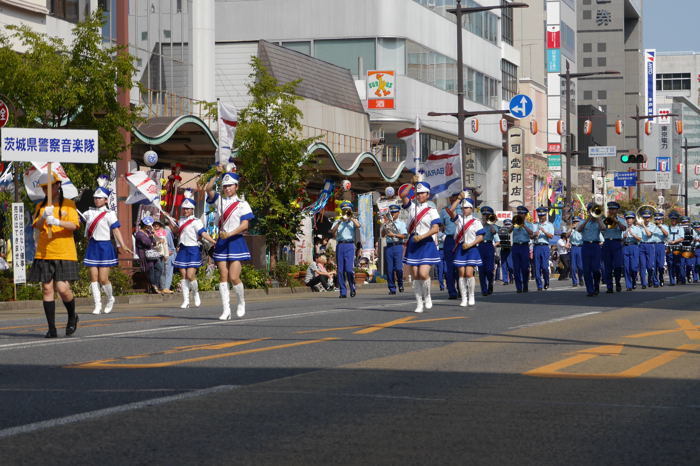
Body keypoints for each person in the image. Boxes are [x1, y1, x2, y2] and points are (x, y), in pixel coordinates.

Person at [28, 172, 81, 338]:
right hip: (44, 252)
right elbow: (36, 226)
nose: (46, 190)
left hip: (64, 251)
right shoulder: (41, 207)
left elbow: (74, 225)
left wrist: (58, 222)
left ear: (58, 186)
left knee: (63, 288)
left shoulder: (69, 204)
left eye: (49, 186)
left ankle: (72, 316)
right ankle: (51, 328)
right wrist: (44, 216)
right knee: (46, 288)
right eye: (44, 188)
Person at [204, 170, 255, 320]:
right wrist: (216, 174)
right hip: (222, 241)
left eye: (230, 186)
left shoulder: (242, 204)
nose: (227, 188)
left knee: (234, 277)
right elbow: (208, 189)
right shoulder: (219, 200)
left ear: (236, 187)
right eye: (225, 186)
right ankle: (226, 310)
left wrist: (230, 233)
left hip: (235, 241)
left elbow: (245, 225)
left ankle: (241, 301)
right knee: (223, 276)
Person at [83, 181, 132, 315]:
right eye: (95, 198)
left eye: (100, 198)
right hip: (92, 246)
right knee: (93, 278)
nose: (97, 200)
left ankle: (110, 298)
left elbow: (116, 231)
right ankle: (97, 304)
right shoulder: (88, 213)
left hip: (105, 247)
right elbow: (76, 222)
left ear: (105, 200)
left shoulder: (110, 214)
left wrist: (123, 245)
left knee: (103, 279)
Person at [165, 197, 216, 309]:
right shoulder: (181, 220)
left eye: (188, 209)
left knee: (190, 275)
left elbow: (203, 234)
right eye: (184, 209)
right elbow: (176, 232)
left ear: (192, 209)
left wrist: (213, 242)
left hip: (193, 249)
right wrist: (169, 220)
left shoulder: (196, 221)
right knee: (183, 275)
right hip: (183, 249)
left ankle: (196, 294)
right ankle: (186, 300)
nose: (185, 211)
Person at [400, 181, 441, 313]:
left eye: (422, 193)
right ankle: (419, 302)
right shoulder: (412, 207)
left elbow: (435, 229)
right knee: (416, 275)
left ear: (428, 194)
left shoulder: (432, 210)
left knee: (423, 273)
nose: (419, 195)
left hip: (426, 242)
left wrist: (422, 237)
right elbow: (403, 194)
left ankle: (427, 295)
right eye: (417, 193)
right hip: (413, 243)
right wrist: (412, 184)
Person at [448, 193, 484, 307]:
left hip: (471, 248)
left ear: (471, 208)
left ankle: (471, 295)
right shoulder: (458, 219)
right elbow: (451, 210)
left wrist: (470, 244)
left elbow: (480, 237)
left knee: (469, 273)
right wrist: (459, 199)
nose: (464, 209)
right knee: (461, 273)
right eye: (463, 208)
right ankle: (464, 297)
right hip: (460, 248)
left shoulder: (476, 221)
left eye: (466, 207)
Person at [330, 201, 360, 298]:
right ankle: (343, 291)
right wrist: (340, 221)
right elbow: (333, 231)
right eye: (344, 210)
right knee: (340, 270)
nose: (346, 212)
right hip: (340, 245)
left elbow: (358, 226)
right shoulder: (338, 220)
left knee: (349, 269)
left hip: (350, 245)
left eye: (347, 210)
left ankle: (352, 287)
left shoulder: (353, 220)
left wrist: (351, 217)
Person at [577, 204, 604, 297]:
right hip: (585, 246)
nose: (592, 213)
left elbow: (603, 228)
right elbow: (579, 229)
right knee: (586, 270)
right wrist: (588, 219)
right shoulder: (584, 222)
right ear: (588, 211)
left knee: (596, 269)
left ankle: (596, 286)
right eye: (591, 211)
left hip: (596, 246)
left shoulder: (598, 222)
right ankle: (590, 290)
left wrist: (599, 218)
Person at [600, 201, 627, 293]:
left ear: (617, 210)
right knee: (607, 266)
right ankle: (609, 286)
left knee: (618, 265)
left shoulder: (621, 220)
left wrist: (616, 220)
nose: (611, 211)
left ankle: (618, 282)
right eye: (610, 209)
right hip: (607, 242)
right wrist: (609, 219)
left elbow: (623, 228)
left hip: (617, 243)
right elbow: (603, 228)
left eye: (613, 209)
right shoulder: (606, 220)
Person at [381, 204, 407, 295]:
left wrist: (394, 235)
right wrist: (385, 225)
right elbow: (383, 235)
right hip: (389, 246)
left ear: (398, 213)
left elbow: (404, 235)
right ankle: (392, 288)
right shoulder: (387, 223)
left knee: (399, 268)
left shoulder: (401, 223)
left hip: (398, 246)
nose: (393, 214)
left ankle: (400, 283)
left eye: (394, 212)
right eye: (391, 212)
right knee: (389, 269)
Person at [510, 206, 535, 293]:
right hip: (516, 246)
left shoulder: (529, 224)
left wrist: (524, 225)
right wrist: (513, 225)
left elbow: (531, 233)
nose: (520, 215)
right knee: (516, 268)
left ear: (525, 215)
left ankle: (525, 284)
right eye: (518, 213)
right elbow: (509, 231)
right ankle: (518, 287)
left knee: (525, 268)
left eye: (521, 213)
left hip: (524, 246)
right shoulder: (515, 223)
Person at [134, 216, 163, 294]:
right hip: (145, 255)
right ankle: (154, 287)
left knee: (159, 268)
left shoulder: (148, 232)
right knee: (150, 270)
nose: (150, 226)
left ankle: (155, 285)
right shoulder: (139, 234)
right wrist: (151, 236)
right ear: (144, 225)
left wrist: (155, 238)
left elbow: (153, 241)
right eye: (149, 225)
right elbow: (147, 243)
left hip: (152, 254)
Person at [439, 192, 460, 299]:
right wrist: (442, 236)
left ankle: (461, 289)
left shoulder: (464, 208)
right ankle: (452, 291)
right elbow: (437, 226)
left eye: (454, 196)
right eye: (450, 196)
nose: (452, 198)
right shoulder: (444, 211)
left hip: (461, 241)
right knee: (449, 268)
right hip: (449, 240)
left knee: (460, 267)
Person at [477, 205, 499, 296]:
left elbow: (494, 232)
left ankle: (490, 283)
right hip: (480, 246)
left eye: (487, 215)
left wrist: (490, 223)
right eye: (484, 215)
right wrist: (482, 223)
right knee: (481, 269)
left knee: (489, 269)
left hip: (489, 246)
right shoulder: (478, 224)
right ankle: (484, 290)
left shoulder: (493, 225)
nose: (485, 217)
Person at [532, 206, 554, 291]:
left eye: (543, 215)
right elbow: (531, 236)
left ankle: (546, 281)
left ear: (545, 215)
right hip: (536, 246)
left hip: (545, 247)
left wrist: (544, 231)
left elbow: (551, 236)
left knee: (545, 267)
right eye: (540, 216)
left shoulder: (549, 225)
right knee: (537, 267)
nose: (541, 217)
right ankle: (539, 285)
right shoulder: (535, 225)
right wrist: (535, 234)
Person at [638, 209, 659, 289]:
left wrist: (643, 226)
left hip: (650, 246)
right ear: (643, 218)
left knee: (650, 266)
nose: (646, 219)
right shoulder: (638, 227)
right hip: (641, 246)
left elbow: (649, 234)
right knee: (642, 266)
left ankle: (650, 278)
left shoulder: (653, 226)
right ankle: (644, 283)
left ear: (650, 218)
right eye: (645, 218)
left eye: (648, 218)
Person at [622, 211, 642, 291]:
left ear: (633, 220)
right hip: (626, 247)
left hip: (634, 246)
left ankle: (634, 280)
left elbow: (640, 239)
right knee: (626, 267)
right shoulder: (623, 228)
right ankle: (628, 285)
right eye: (627, 219)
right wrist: (624, 236)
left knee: (634, 267)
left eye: (630, 218)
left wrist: (633, 235)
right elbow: (621, 240)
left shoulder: (637, 228)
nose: (629, 220)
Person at [665, 211, 684, 285]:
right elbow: (665, 237)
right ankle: (672, 281)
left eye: (675, 219)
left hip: (677, 247)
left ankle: (679, 278)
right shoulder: (667, 228)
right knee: (670, 264)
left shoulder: (680, 228)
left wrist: (674, 241)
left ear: (676, 220)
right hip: (670, 247)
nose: (673, 221)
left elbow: (682, 238)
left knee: (677, 264)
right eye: (672, 219)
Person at [652, 212, 668, 286]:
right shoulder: (651, 226)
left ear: (661, 220)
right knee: (653, 264)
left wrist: (660, 227)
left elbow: (666, 234)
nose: (657, 220)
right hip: (652, 245)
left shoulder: (665, 226)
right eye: (656, 219)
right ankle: (655, 281)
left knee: (661, 264)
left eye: (659, 219)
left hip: (661, 245)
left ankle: (661, 277)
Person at [569, 217, 584, 287]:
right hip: (573, 247)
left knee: (580, 267)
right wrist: (571, 229)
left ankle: (580, 278)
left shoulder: (582, 229)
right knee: (573, 266)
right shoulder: (571, 230)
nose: (575, 223)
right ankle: (574, 281)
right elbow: (566, 236)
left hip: (580, 247)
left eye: (576, 222)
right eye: (574, 222)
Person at [498, 219, 514, 285]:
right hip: (503, 248)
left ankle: (511, 276)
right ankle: (505, 280)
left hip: (510, 249)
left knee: (510, 266)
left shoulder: (513, 231)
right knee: (504, 265)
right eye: (506, 225)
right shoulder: (501, 230)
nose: (507, 226)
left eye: (509, 225)